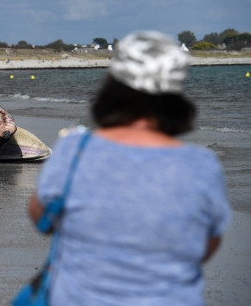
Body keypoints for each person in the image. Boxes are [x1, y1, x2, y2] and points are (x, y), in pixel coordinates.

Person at [27, 31, 231, 306]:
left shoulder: (76, 148)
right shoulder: (202, 164)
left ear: (111, 85)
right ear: (177, 96)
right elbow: (207, 243)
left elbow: (42, 217)